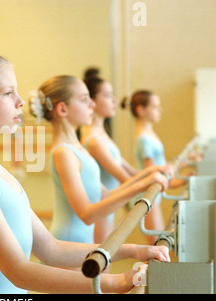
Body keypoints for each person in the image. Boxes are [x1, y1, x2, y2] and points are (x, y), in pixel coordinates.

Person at [0, 51, 170, 294]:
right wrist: (115, 282)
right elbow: (18, 271)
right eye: (8, 93)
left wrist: (133, 250)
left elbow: (52, 249)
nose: (20, 101)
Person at [29, 75, 170, 245]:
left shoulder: (77, 148)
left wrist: (149, 175)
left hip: (82, 241)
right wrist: (142, 184)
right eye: (84, 100)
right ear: (62, 110)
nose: (92, 105)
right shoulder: (63, 153)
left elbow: (106, 195)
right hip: (69, 240)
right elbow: (87, 215)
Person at [80, 70, 162, 243]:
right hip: (101, 209)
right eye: (108, 95)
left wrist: (156, 170)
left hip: (108, 209)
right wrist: (151, 178)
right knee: (102, 266)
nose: (114, 101)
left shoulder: (102, 134)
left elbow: (130, 170)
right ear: (92, 102)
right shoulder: (93, 139)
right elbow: (124, 178)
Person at [122, 90, 185, 243]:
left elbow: (162, 169)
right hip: (148, 195)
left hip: (154, 193)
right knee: (156, 246)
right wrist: (181, 178)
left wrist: (181, 174)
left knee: (158, 244)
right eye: (155, 107)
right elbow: (155, 173)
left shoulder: (149, 135)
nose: (160, 110)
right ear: (141, 110)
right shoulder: (143, 139)